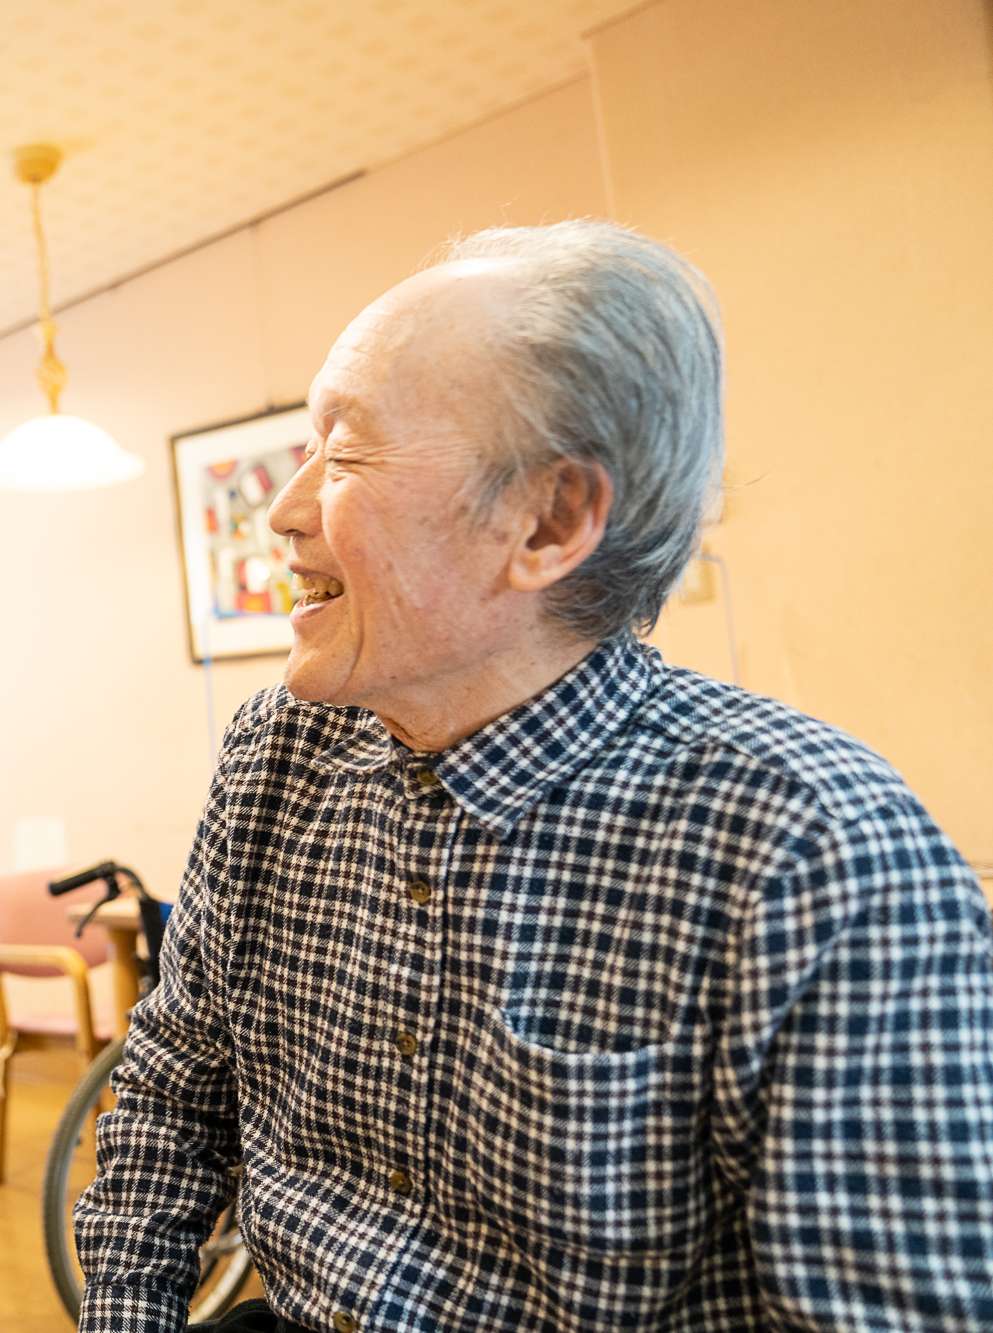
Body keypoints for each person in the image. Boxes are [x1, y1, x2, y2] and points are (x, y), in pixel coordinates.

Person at [74, 220, 993, 1332]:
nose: (282, 507)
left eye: (347, 451)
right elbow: (173, 1088)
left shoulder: (811, 846)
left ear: (548, 522)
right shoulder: (276, 749)